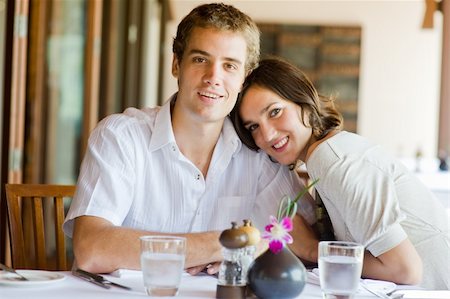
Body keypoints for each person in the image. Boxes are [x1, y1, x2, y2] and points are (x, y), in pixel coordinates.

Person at [63, 4, 315, 275]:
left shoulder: (257, 152)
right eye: (200, 59)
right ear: (176, 64)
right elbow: (91, 249)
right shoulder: (121, 137)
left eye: (229, 66)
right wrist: (221, 243)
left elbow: (304, 240)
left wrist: (258, 245)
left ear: (244, 78)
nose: (213, 77)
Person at [231, 57, 450, 290]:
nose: (266, 134)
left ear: (304, 103)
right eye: (253, 126)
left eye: (275, 111)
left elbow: (405, 270)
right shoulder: (329, 153)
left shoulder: (334, 160)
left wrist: (311, 249)